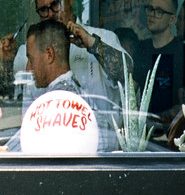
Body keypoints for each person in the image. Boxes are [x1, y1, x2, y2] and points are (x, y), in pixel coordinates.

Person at [14, 0, 132, 111]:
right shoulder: (29, 51)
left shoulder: (104, 37)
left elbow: (127, 74)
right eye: (43, 10)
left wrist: (93, 44)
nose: (51, 14)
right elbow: (7, 95)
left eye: (56, 4)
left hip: (99, 129)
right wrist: (5, 61)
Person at [24, 19, 116, 152]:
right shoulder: (80, 98)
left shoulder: (57, 107)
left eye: (31, 59)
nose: (28, 68)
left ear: (49, 54)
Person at [133, 0, 185, 123]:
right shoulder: (141, 49)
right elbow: (131, 91)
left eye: (159, 11)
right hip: (144, 131)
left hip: (174, 132)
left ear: (172, 19)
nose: (152, 14)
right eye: (150, 9)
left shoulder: (184, 53)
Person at [0, 32, 18, 101]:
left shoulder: (20, 59)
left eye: (10, 43)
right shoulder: (0, 63)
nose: (7, 48)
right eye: (3, 42)